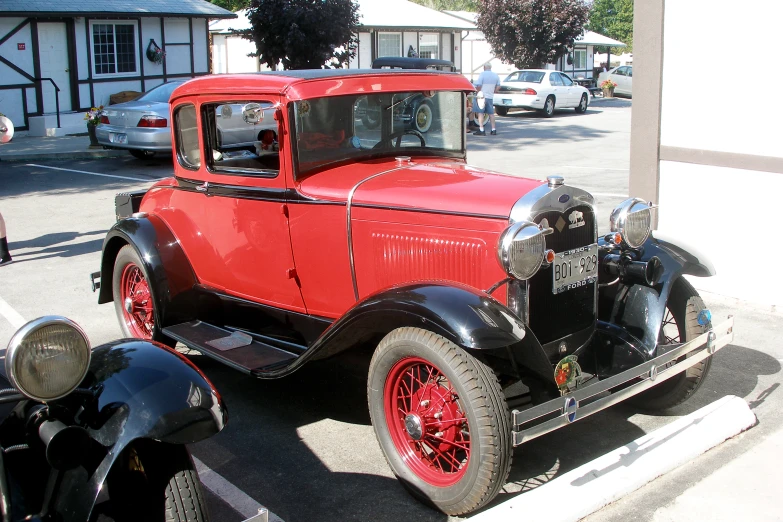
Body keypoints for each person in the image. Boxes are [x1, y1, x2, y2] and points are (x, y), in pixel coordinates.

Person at [473, 63, 500, 136]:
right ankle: (493, 129)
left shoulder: (482, 74)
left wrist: (478, 92)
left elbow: (479, 85)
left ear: (484, 67)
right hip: (490, 97)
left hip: (482, 96)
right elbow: (498, 86)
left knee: (480, 113)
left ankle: (482, 130)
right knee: (491, 114)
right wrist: (493, 91)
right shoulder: (495, 75)